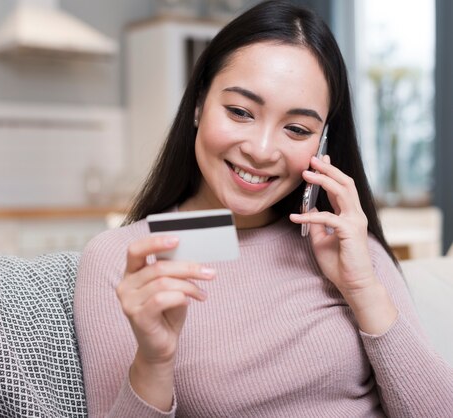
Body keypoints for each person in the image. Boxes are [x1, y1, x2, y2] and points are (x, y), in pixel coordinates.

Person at [73, 1, 453, 416]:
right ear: (199, 103)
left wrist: (363, 290)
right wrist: (154, 364)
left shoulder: (346, 245)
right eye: (240, 112)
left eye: (297, 129)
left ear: (322, 143)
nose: (262, 150)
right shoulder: (126, 259)